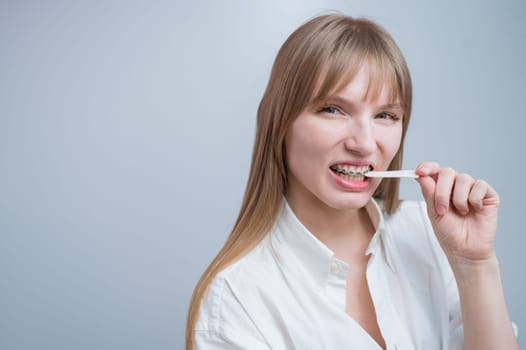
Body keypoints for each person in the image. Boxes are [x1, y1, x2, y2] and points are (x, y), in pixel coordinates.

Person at [185, 14, 518, 350]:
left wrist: (475, 266)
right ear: (281, 122)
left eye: (385, 115)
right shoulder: (236, 301)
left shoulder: (431, 233)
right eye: (333, 109)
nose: (365, 143)